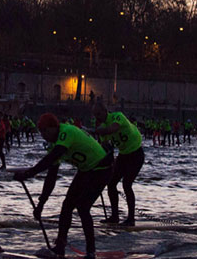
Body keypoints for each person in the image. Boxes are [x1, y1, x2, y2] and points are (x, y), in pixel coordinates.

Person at [15, 113, 112, 259]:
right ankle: (60, 247)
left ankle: (91, 252)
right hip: (86, 170)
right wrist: (41, 204)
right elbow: (51, 177)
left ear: (54, 128)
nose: (43, 136)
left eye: (45, 131)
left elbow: (52, 158)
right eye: (41, 132)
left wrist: (29, 173)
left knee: (83, 207)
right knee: (67, 206)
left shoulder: (66, 133)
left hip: (102, 168)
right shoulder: (54, 144)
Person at [93, 102, 143, 226]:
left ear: (105, 111)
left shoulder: (117, 116)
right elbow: (105, 148)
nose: (97, 117)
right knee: (111, 184)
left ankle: (131, 219)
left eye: (98, 114)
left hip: (136, 153)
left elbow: (113, 129)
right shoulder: (103, 126)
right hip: (123, 155)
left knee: (127, 184)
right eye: (95, 115)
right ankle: (114, 216)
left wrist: (99, 131)